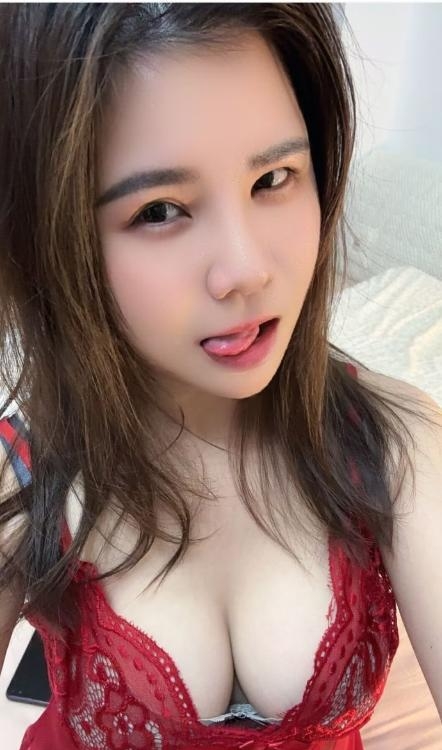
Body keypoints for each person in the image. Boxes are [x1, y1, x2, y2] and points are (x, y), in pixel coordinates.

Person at [0, 4, 441, 749]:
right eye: (160, 210)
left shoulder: (396, 448)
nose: (247, 269)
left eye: (274, 178)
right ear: (56, 238)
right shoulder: (24, 474)